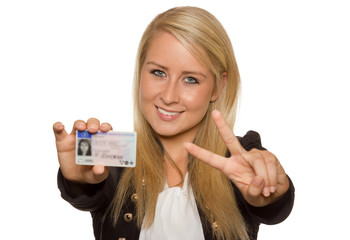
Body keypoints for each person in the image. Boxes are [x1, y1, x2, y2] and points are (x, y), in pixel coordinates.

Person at [53, 6, 294, 240]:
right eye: (158, 73)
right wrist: (77, 181)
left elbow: (274, 209)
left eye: (190, 79)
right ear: (140, 71)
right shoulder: (112, 153)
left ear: (218, 87)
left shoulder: (239, 158)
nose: (168, 96)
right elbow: (89, 193)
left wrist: (271, 191)